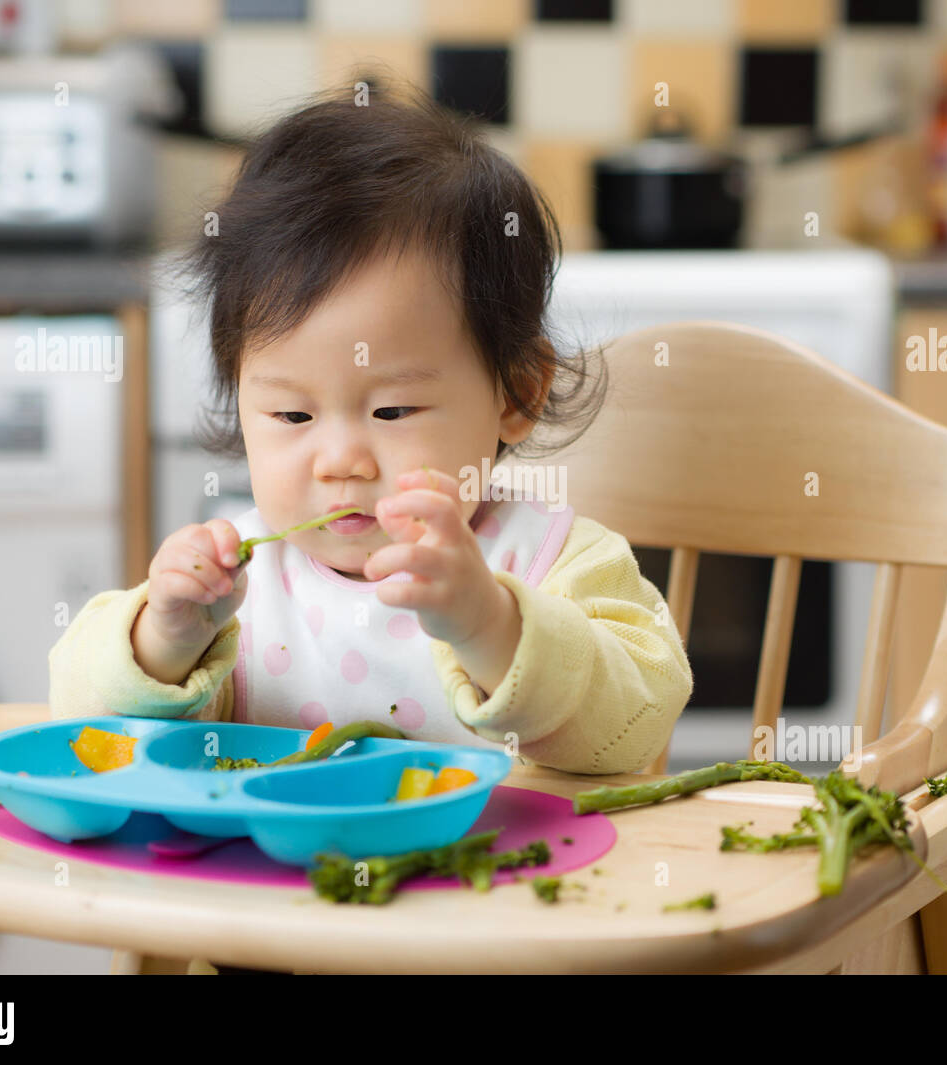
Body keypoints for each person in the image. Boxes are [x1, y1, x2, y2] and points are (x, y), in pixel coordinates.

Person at [48, 79, 693, 783]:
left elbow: (635, 725)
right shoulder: (239, 586)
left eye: (391, 412)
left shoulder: (554, 561)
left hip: (495, 888)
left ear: (518, 391)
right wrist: (162, 641)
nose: (341, 461)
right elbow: (81, 719)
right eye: (292, 415)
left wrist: (491, 624)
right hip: (270, 886)